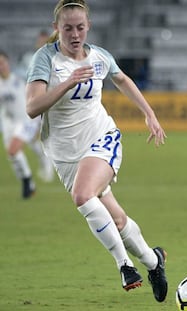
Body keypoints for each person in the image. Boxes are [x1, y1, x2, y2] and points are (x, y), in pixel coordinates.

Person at [25, 0, 168, 302]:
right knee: (115, 219)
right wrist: (66, 84)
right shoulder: (45, 60)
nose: (75, 34)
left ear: (88, 26)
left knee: (82, 196)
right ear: (56, 29)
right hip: (64, 153)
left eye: (80, 27)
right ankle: (155, 262)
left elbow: (122, 79)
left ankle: (125, 266)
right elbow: (32, 108)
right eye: (67, 28)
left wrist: (149, 113)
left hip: (101, 137)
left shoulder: (100, 56)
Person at [0, 50, 54, 199]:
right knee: (13, 155)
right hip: (10, 123)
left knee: (13, 150)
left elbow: (36, 97)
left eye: (2, 63)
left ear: (8, 63)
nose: (1, 67)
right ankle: (30, 181)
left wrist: (40, 120)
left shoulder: (20, 80)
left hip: (27, 120)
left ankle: (28, 180)